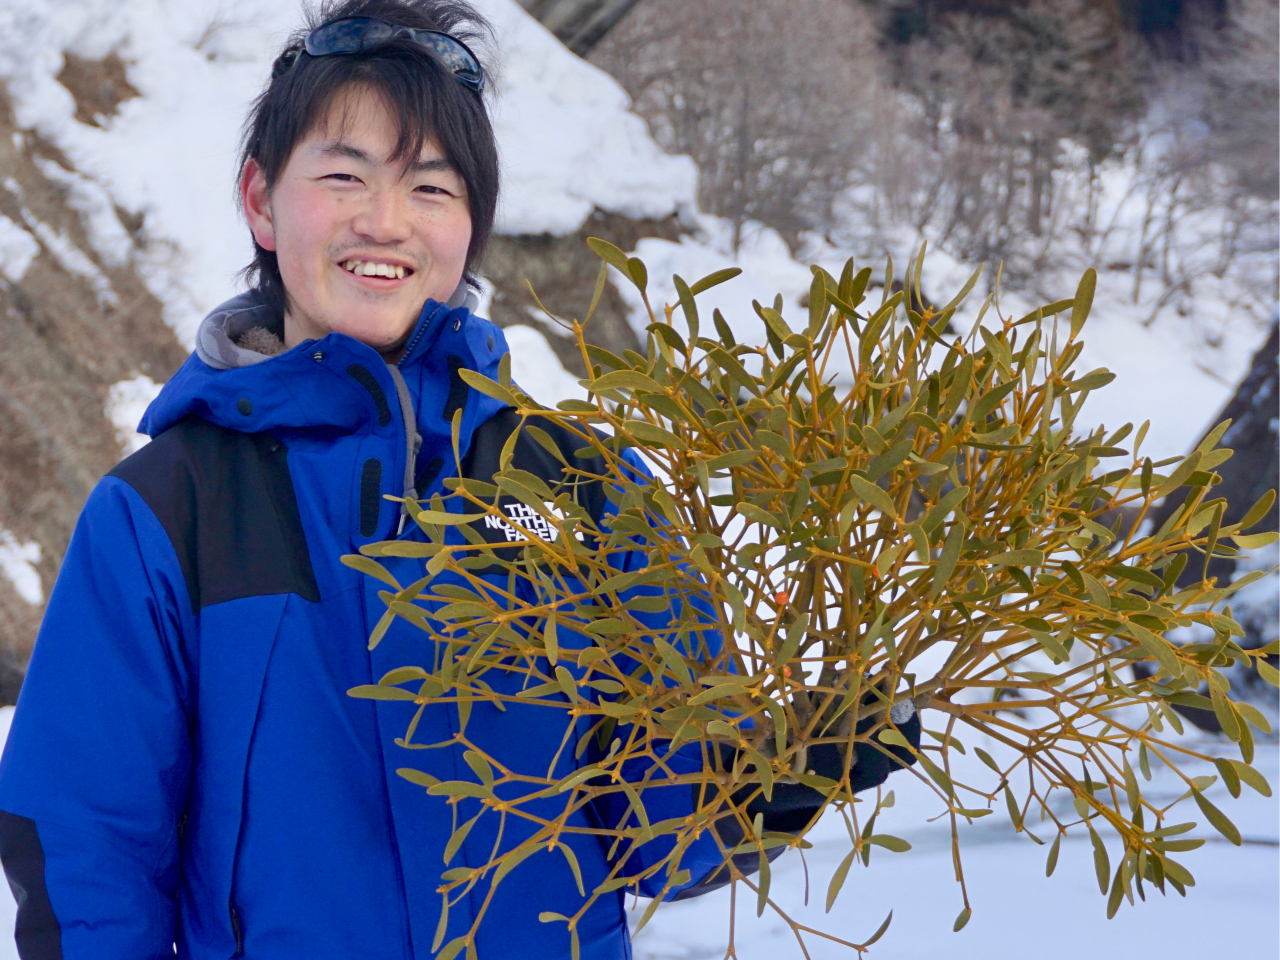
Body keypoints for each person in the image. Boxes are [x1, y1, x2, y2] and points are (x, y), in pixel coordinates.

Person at [0, 1, 920, 957]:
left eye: (431, 187)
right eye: (344, 176)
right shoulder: (164, 514)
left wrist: (780, 767)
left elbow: (662, 831)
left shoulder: (583, 488)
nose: (385, 221)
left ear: (472, 223)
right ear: (261, 199)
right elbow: (84, 849)